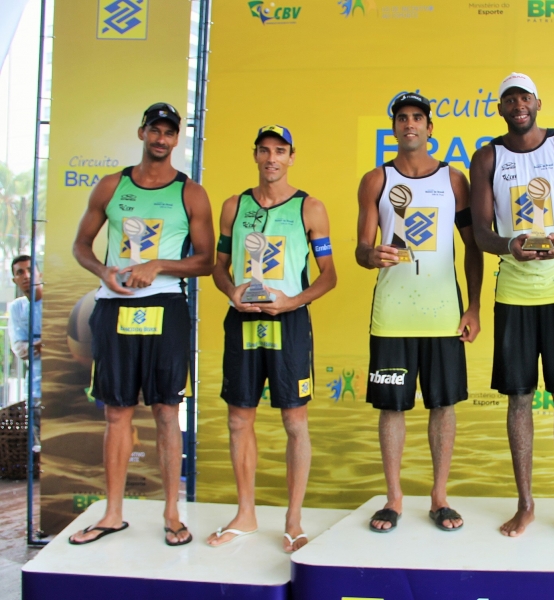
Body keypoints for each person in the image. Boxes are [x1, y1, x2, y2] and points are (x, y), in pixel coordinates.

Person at [70, 103, 214, 546]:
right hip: (114, 307)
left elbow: (206, 262)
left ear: (176, 139)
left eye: (170, 132)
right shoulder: (112, 185)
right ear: (142, 132)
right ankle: (113, 514)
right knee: (116, 412)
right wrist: (102, 271)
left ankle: (173, 514)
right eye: (155, 130)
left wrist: (159, 265)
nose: (161, 138)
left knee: (167, 412)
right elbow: (80, 245)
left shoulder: (191, 192)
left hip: (166, 308)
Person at [469, 73, 554, 541]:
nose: (518, 104)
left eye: (524, 96)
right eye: (509, 98)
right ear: (500, 108)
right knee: (519, 398)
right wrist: (510, 245)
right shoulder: (487, 156)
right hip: (515, 293)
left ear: (538, 102)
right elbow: (481, 233)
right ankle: (525, 505)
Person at [356, 92, 483, 533]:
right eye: (402, 118)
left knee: (443, 405)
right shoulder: (376, 179)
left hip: (443, 314)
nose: (409, 124)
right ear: (393, 127)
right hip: (392, 314)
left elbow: (472, 249)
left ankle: (439, 497)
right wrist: (372, 256)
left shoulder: (453, 179)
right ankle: (394, 499)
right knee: (391, 408)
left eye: (417, 118)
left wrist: (473, 306)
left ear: (430, 128)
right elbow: (360, 249)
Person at [206, 125, 337, 553]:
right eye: (264, 150)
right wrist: (231, 292)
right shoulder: (233, 206)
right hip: (241, 322)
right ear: (256, 155)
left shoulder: (310, 208)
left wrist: (292, 301)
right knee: (238, 420)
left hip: (289, 324)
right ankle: (245, 515)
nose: (271, 158)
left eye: (280, 151)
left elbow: (329, 276)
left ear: (291, 156)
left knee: (294, 422)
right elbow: (219, 267)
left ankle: (293, 521)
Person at [8, 255, 42, 405]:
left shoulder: (55, 302)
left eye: (30, 270)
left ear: (40, 274)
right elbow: (20, 350)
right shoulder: (17, 307)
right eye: (20, 272)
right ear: (14, 280)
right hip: (35, 387)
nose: (26, 276)